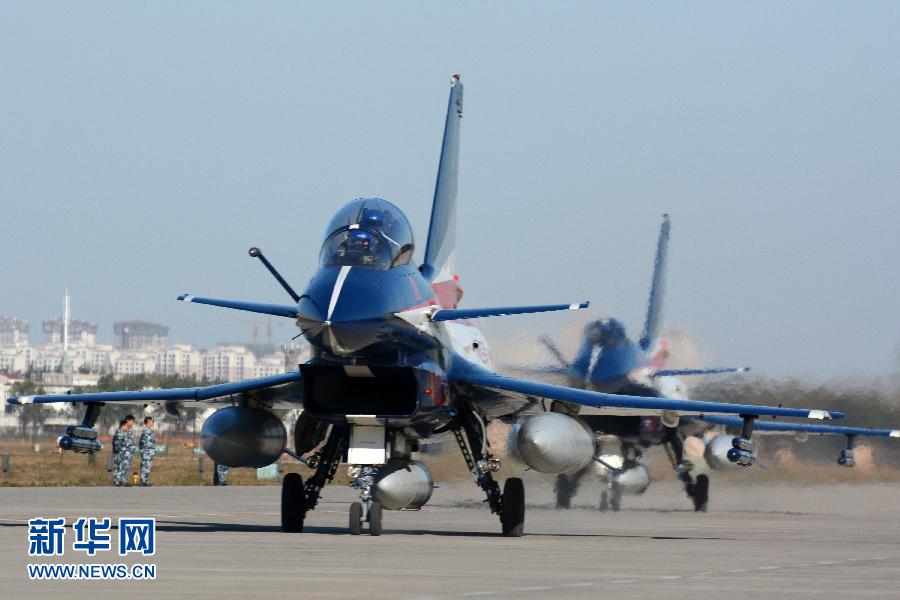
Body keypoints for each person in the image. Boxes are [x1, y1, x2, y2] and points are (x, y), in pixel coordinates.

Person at [112, 418, 131, 487]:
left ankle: (120, 481)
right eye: (127, 426)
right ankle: (118, 482)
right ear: (124, 425)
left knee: (120, 467)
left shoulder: (122, 433)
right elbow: (117, 445)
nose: (127, 428)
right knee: (120, 467)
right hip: (120, 453)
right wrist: (121, 452)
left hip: (122, 453)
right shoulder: (119, 433)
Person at [139, 416, 156, 487]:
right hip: (146, 452)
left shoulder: (149, 430)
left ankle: (145, 481)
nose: (153, 422)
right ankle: (143, 482)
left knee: (147, 467)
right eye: (152, 421)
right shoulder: (146, 430)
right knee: (145, 467)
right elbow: (143, 443)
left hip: (149, 452)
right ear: (148, 421)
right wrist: (144, 451)